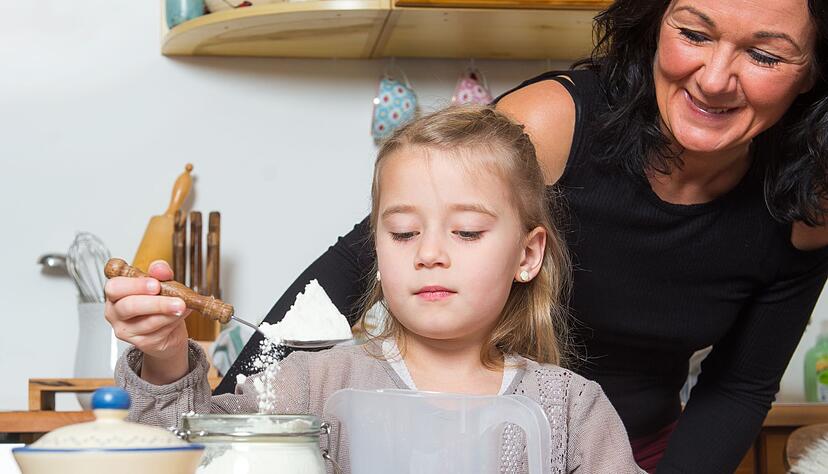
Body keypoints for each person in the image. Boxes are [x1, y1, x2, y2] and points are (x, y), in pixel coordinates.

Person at [212, 1, 828, 472]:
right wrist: (229, 424)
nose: (715, 78)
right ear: (652, 23)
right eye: (694, 34)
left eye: (766, 57)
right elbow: (349, 271)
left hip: (630, 452)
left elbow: (739, 386)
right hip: (472, 444)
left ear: (814, 72)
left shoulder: (810, 203)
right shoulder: (552, 124)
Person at [106, 106, 644, 473]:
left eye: (467, 232)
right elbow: (187, 452)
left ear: (527, 255)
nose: (429, 253)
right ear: (378, 252)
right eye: (404, 233)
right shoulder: (311, 385)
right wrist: (165, 358)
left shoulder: (573, 409)